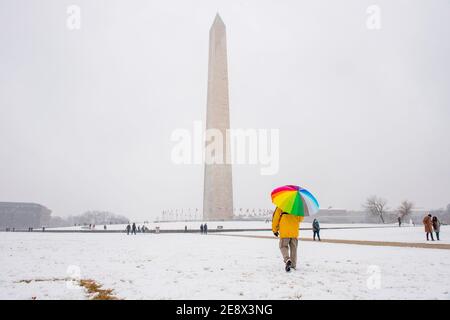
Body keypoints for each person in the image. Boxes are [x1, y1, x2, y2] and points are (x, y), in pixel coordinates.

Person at [272, 207, 304, 272]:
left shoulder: (281, 206)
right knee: (294, 249)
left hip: (285, 231)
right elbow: (300, 219)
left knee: (283, 246)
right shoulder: (297, 207)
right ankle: (293, 266)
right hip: (294, 232)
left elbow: (275, 218)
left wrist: (275, 230)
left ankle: (287, 260)